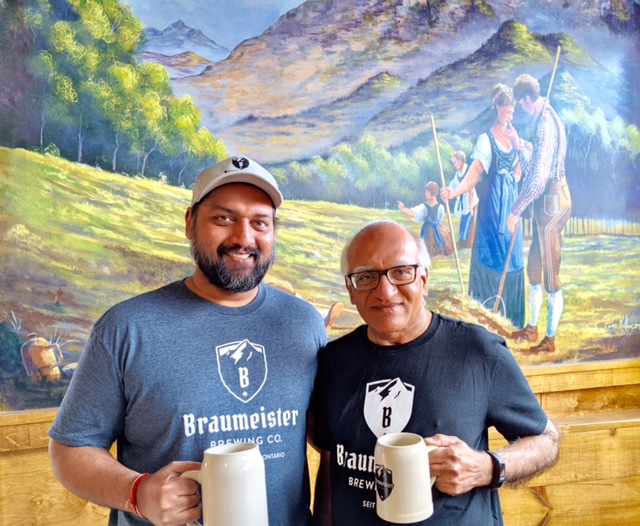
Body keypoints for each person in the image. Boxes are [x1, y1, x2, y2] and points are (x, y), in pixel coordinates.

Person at [48, 156, 327, 526]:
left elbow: (324, 430)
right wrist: (137, 493)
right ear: (189, 223)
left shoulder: (303, 323)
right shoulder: (127, 327)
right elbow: (70, 448)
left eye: (260, 222)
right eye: (223, 219)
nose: (244, 238)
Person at [312, 220, 560, 525]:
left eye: (401, 272)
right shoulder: (332, 361)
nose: (385, 291)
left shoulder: (478, 350)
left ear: (424, 280)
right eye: (366, 277)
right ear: (351, 291)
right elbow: (330, 458)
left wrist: (487, 466)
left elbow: (546, 440)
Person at [441, 84, 525, 329]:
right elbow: (475, 172)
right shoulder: (485, 139)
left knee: (514, 256)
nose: (510, 116)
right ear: (497, 108)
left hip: (511, 206)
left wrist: (519, 149)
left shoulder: (514, 134)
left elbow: (519, 172)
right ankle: (487, 316)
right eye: (506, 112)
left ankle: (513, 321)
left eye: (512, 112)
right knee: (492, 254)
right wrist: (455, 191)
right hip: (492, 208)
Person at [504, 74, 572, 354]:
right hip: (547, 202)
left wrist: (516, 211)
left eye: (521, 105)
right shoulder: (544, 116)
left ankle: (550, 339)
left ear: (526, 99)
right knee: (534, 269)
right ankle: (532, 329)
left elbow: (538, 178)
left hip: (552, 203)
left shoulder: (544, 122)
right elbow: (534, 167)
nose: (522, 109)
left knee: (550, 276)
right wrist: (520, 147)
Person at [398, 181, 453, 257]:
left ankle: (439, 251)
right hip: (428, 230)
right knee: (427, 247)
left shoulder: (441, 207)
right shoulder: (424, 207)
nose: (425, 193)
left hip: (437, 229)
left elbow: (440, 219)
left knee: (441, 244)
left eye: (427, 191)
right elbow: (414, 213)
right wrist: (403, 210)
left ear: (431, 192)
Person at [447, 151, 478, 249]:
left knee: (469, 223)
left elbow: (471, 190)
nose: (454, 164)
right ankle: (462, 242)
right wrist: (447, 190)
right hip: (463, 201)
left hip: (471, 202)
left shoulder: (468, 171)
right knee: (463, 222)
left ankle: (467, 243)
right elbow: (454, 185)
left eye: (455, 162)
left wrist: (470, 206)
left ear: (461, 161)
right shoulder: (458, 173)